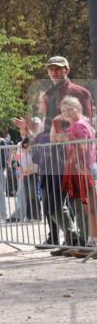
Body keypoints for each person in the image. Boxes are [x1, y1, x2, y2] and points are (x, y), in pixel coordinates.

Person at [51, 96, 97, 248]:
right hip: (79, 169)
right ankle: (91, 241)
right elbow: (56, 139)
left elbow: (83, 147)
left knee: (91, 209)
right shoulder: (74, 126)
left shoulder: (80, 125)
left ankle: (93, 242)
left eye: (69, 109)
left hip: (85, 169)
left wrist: (66, 137)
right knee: (86, 209)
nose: (66, 113)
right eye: (63, 111)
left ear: (78, 109)